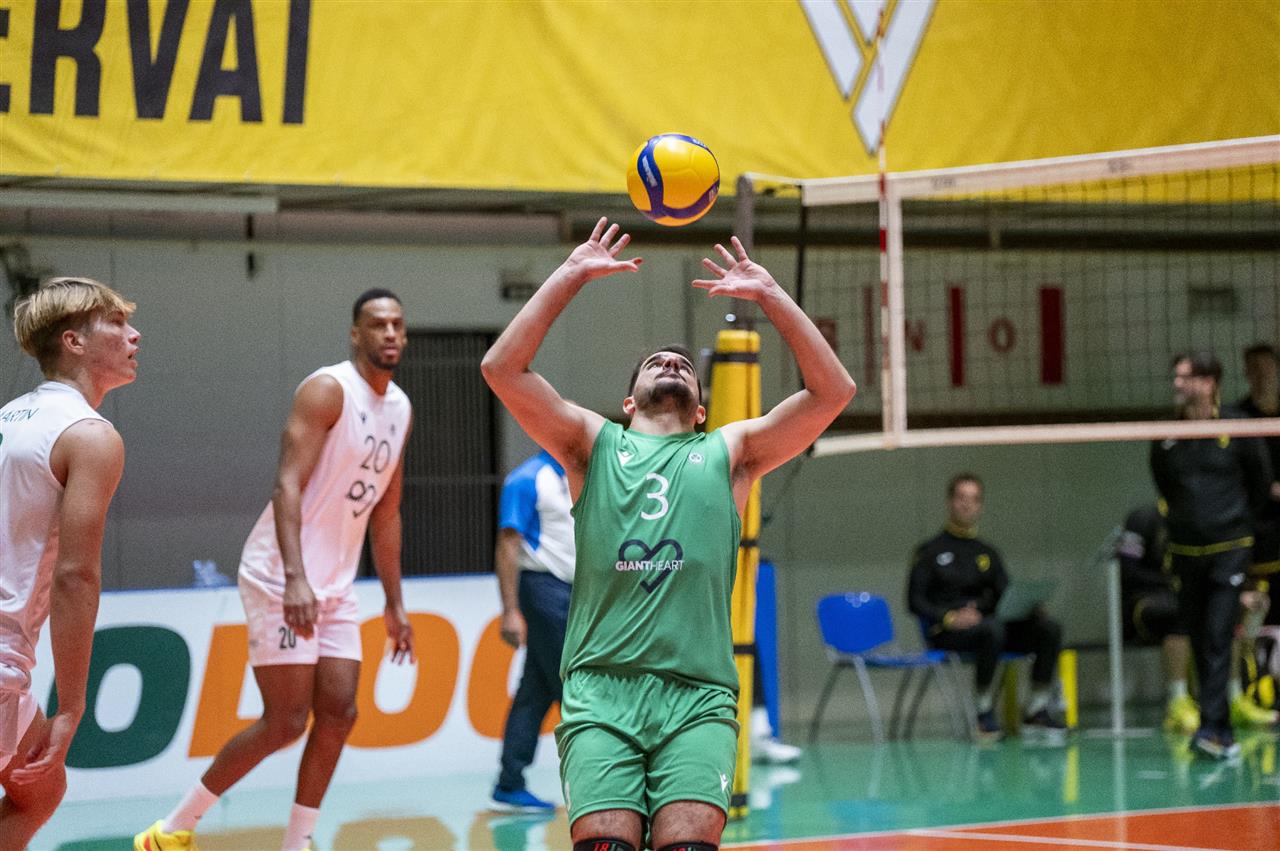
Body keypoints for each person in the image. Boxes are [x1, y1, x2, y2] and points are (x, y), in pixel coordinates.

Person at [481, 219, 855, 851]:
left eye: (683, 365)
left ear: (701, 410)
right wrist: (569, 275)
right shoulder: (591, 444)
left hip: (697, 696)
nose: (671, 363)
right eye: (655, 363)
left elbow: (833, 391)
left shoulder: (730, 452)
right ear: (628, 402)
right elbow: (501, 369)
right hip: (601, 691)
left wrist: (771, 296)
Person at [135, 289, 416, 851]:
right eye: (377, 324)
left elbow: (386, 512)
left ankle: (298, 841)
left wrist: (394, 602)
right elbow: (286, 484)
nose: (389, 333)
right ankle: (171, 830)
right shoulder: (328, 390)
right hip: (280, 573)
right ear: (355, 334)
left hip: (336, 584)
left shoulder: (401, 408)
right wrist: (295, 577)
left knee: (340, 712)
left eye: (397, 325)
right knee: (286, 721)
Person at [0, 278, 138, 848]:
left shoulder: (7, 417)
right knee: (40, 787)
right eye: (117, 323)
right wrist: (72, 707)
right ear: (74, 341)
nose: (134, 335)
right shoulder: (90, 436)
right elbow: (76, 576)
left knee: (39, 789)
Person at [1152, 351, 1273, 760]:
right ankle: (1219, 729)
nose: (1176, 384)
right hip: (1186, 552)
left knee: (1220, 633)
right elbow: (1164, 483)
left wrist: (1234, 525)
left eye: (1184, 377)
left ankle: (1211, 729)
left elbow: (1260, 484)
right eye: (1176, 377)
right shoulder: (1166, 435)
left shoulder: (1237, 427)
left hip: (1229, 550)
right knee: (1201, 635)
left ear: (1209, 382)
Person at [908, 474, 1067, 742]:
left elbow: (1005, 594)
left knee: (1048, 629)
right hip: (948, 632)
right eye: (961, 498)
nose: (967, 505)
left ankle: (1037, 708)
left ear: (980, 506)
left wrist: (1028, 607)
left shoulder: (987, 552)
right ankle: (982, 709)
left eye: (974, 499)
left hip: (989, 628)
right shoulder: (929, 551)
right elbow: (914, 601)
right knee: (991, 630)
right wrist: (949, 617)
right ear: (949, 502)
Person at [490, 449, 575, 813]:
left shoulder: (575, 474)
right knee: (573, 687)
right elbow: (508, 544)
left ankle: (510, 782)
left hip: (572, 591)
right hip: (543, 588)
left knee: (535, 689)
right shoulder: (528, 479)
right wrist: (510, 610)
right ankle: (598, 781)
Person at [1117, 502, 1197, 733]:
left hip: (1185, 597)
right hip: (1144, 602)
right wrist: (1170, 582)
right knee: (1177, 615)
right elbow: (1127, 569)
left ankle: (1232, 697)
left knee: (1226, 613)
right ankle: (1178, 700)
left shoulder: (1197, 517)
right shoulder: (1141, 518)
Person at [1237, 343, 1280, 617]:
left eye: (1267, 368)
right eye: (1254, 369)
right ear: (1246, 373)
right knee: (1258, 608)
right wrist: (1267, 488)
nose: (1262, 375)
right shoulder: (1238, 418)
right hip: (1257, 525)